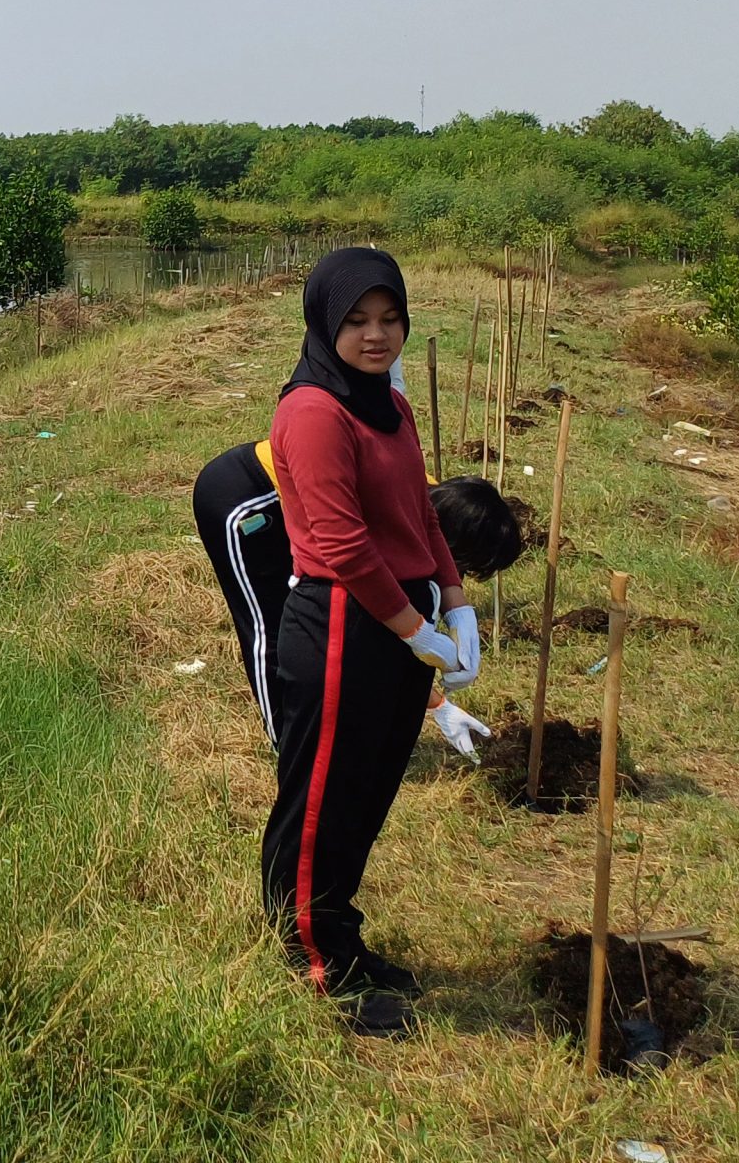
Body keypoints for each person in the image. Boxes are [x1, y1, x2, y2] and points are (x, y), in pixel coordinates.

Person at [257, 248, 475, 1036]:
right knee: (323, 798)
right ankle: (313, 958)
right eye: (356, 322)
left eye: (389, 320)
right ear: (324, 323)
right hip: (345, 622)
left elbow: (418, 511)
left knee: (371, 789)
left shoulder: (389, 402)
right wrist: (416, 628)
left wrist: (454, 600)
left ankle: (337, 929)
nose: (376, 336)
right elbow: (345, 547)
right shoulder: (313, 411)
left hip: (395, 621)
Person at [196, 441, 521, 752]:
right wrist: (436, 701)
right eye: (464, 563)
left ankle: (320, 727)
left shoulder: (433, 505)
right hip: (248, 496)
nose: (459, 574)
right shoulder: (384, 520)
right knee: (272, 622)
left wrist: (437, 701)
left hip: (302, 506)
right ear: (456, 541)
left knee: (318, 628)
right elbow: (384, 623)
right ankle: (289, 743)